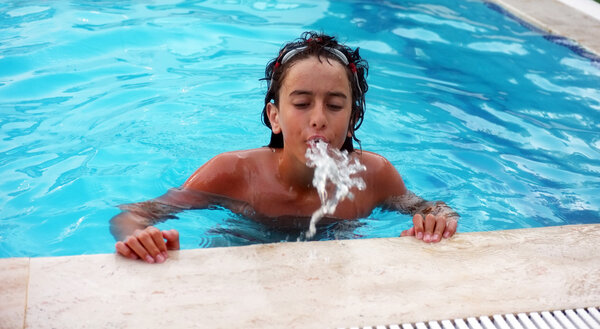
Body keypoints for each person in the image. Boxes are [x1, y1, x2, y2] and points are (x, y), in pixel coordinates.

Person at [110, 31, 460, 264]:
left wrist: (436, 223)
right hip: (242, 257)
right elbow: (135, 214)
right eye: (303, 103)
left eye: (335, 106)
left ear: (352, 120)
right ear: (275, 117)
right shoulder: (233, 173)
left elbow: (433, 209)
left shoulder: (375, 175)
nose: (319, 119)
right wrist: (144, 238)